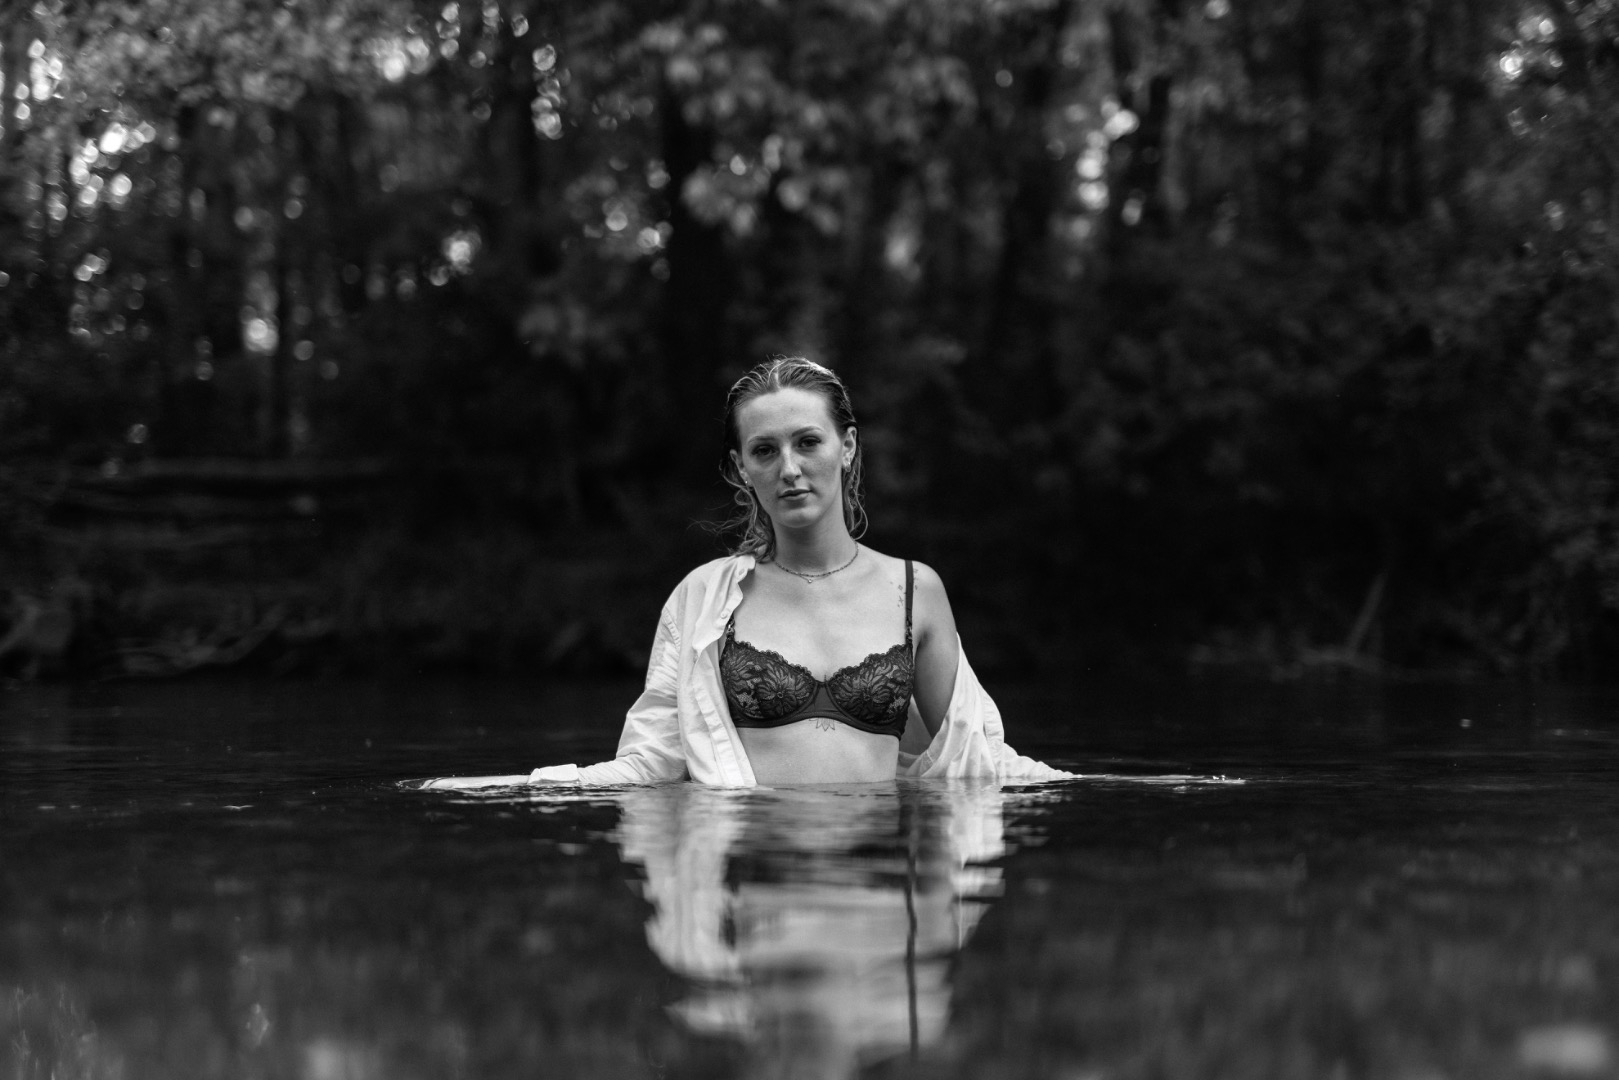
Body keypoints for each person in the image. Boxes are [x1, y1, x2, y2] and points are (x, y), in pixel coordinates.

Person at [425, 357, 1069, 789]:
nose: (789, 468)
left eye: (808, 441)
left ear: (846, 447)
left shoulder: (914, 591)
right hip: (755, 888)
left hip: (875, 892)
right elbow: (653, 762)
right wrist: (521, 786)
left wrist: (1105, 788)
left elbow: (972, 759)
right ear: (741, 468)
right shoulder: (705, 600)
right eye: (765, 450)